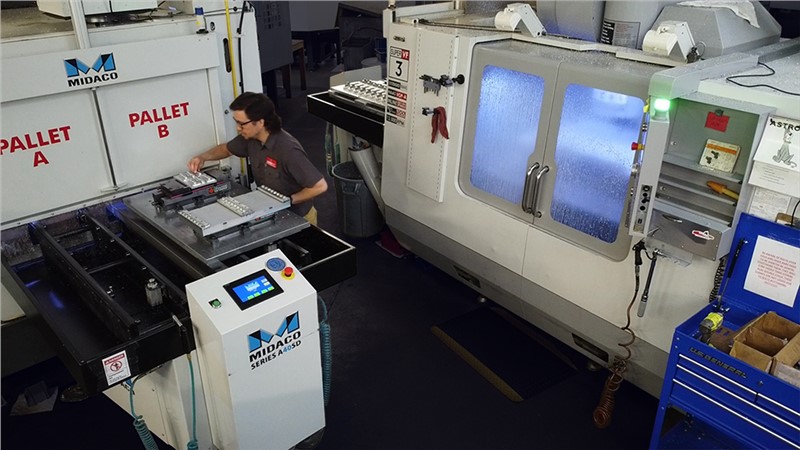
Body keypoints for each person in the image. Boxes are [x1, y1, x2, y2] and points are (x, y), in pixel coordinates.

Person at [188, 92, 327, 225]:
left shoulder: (288, 150)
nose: (238, 128)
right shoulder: (251, 139)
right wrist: (203, 157)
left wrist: (287, 200)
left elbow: (319, 186)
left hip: (298, 218)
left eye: (241, 124)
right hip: (271, 213)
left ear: (260, 122)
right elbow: (226, 149)